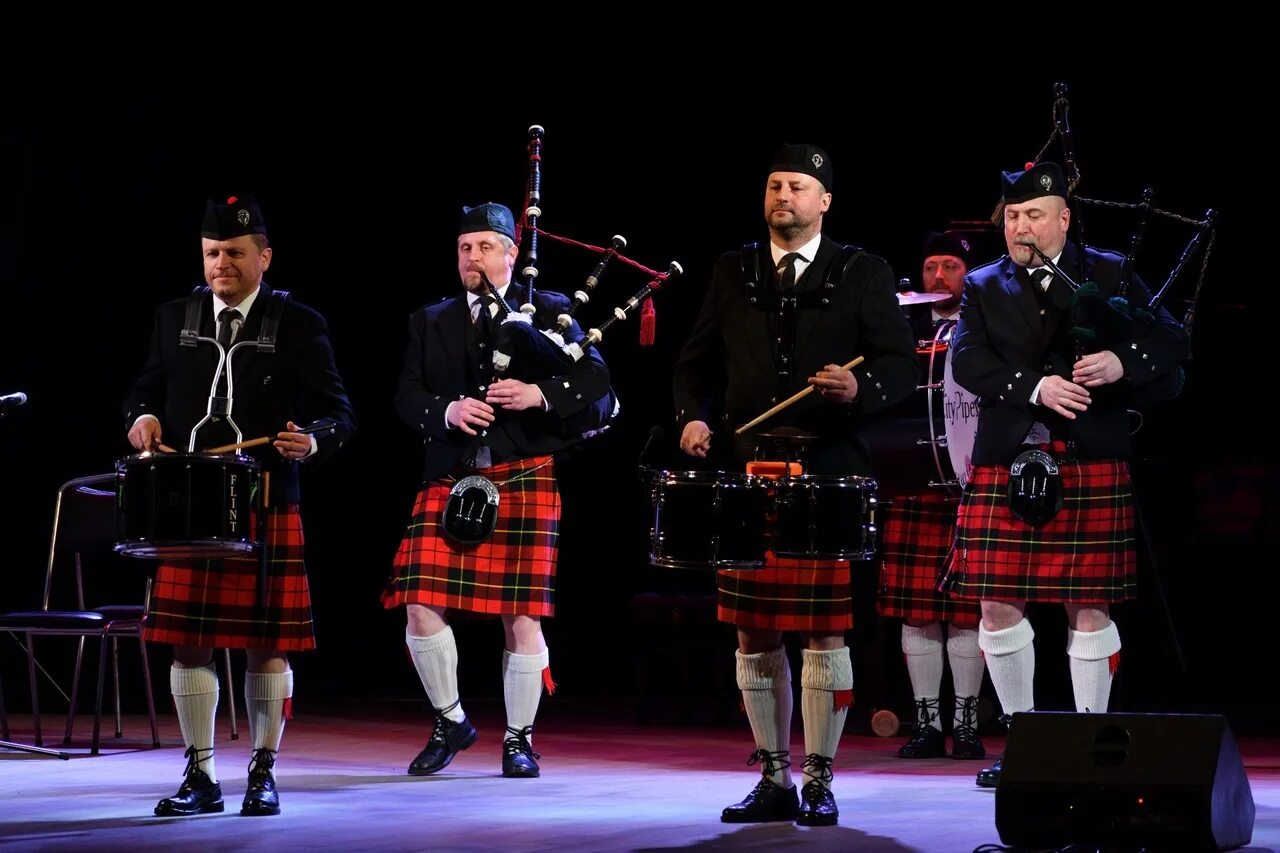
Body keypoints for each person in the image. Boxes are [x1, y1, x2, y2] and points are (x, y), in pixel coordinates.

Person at [673, 144, 917, 826]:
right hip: (748, 475)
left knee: (823, 633)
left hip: (828, 473)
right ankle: (773, 776)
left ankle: (819, 778)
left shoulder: (863, 272)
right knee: (753, 633)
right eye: (775, 185)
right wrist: (692, 417)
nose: (783, 195)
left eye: (798, 186)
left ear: (825, 201)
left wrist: (859, 388)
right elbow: (693, 365)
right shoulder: (733, 269)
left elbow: (900, 366)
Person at [939, 162, 1189, 787]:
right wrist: (1035, 387)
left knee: (1089, 605)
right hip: (1009, 458)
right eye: (1012, 216)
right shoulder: (983, 284)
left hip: (1089, 456)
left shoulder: (1107, 271)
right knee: (997, 604)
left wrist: (1121, 361)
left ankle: (1090, 743)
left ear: (1064, 219)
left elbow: (1172, 340)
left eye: (1033, 215)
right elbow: (967, 361)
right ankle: (1024, 743)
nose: (1020, 227)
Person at [125, 195, 356, 817]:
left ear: (264, 257)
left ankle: (263, 772)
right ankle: (200, 776)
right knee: (187, 642)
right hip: (187, 507)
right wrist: (141, 418)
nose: (219, 264)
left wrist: (312, 440)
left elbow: (339, 414)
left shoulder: (298, 323)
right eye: (211, 253)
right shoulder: (174, 317)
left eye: (232, 252)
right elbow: (144, 389)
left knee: (266, 644)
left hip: (265, 501)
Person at [382, 202, 612, 780]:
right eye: (465, 248)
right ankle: (450, 721)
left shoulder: (552, 311)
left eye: (485, 247)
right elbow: (406, 396)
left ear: (512, 253)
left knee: (522, 614)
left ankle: (519, 739)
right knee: (419, 604)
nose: (473, 257)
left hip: (523, 473)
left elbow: (596, 380)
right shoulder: (429, 320)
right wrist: (447, 410)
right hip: (451, 474)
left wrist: (539, 395)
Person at [876, 232, 986, 760]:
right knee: (917, 610)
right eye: (930, 266)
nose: (938, 276)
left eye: (951, 265)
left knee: (968, 611)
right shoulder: (900, 329)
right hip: (913, 480)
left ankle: (966, 725)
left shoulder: (987, 326)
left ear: (970, 272)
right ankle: (926, 724)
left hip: (973, 482)